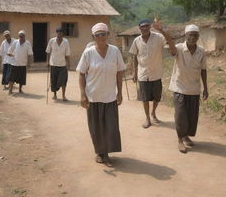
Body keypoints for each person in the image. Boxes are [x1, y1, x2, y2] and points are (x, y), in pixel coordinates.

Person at [76, 23, 126, 167]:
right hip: (93, 96)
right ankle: (100, 153)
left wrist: (120, 93)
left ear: (108, 35)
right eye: (97, 35)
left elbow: (119, 72)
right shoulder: (88, 53)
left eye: (103, 34)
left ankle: (107, 153)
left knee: (110, 126)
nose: (101, 37)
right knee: (96, 127)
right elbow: (81, 74)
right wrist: (83, 95)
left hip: (110, 96)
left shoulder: (115, 51)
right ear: (93, 37)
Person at [129, 19, 177, 128]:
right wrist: (134, 72)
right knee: (145, 98)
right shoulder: (136, 40)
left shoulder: (158, 38)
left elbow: (170, 41)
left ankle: (153, 113)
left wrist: (161, 30)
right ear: (139, 28)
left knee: (157, 97)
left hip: (156, 73)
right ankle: (147, 118)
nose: (145, 28)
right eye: (142, 27)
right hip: (143, 74)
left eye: (146, 26)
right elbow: (135, 56)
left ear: (150, 27)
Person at [169, 24, 208, 153]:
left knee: (191, 116)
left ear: (198, 36)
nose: (193, 37)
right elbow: (172, 49)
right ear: (185, 35)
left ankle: (185, 136)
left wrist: (205, 88)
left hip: (194, 88)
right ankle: (180, 140)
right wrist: (162, 31)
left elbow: (203, 70)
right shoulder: (179, 48)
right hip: (179, 87)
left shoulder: (201, 51)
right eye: (190, 34)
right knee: (180, 115)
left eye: (195, 35)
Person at [46, 28, 70, 101]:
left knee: (63, 81)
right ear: (56, 33)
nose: (59, 34)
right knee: (54, 81)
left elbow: (67, 54)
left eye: (61, 33)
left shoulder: (66, 42)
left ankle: (63, 96)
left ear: (62, 34)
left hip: (63, 64)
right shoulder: (51, 41)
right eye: (58, 33)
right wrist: (48, 62)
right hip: (53, 64)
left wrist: (68, 64)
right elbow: (48, 51)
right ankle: (55, 95)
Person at [7, 30, 33, 94]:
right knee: (12, 78)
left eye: (22, 36)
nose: (21, 37)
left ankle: (20, 89)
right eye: (20, 36)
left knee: (22, 78)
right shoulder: (15, 42)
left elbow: (30, 54)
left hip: (23, 64)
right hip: (14, 63)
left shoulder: (27, 43)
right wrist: (13, 55)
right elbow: (9, 51)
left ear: (24, 36)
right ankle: (10, 90)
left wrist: (29, 63)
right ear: (18, 36)